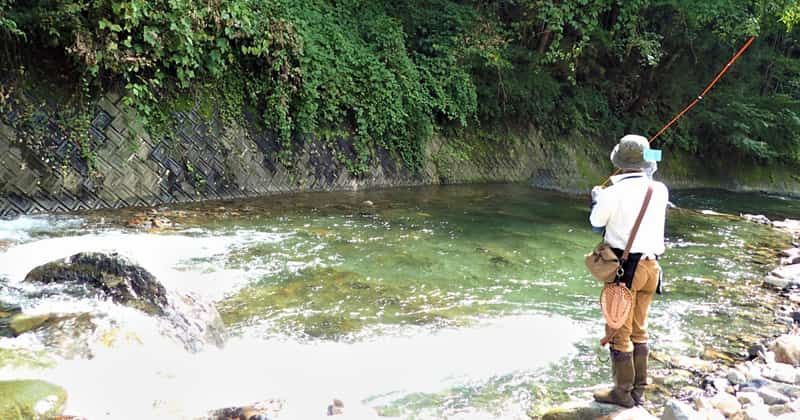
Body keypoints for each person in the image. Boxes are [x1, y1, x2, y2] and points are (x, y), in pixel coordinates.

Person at [589, 134, 669, 407]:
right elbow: (651, 176)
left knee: (619, 331)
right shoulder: (660, 190)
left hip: (625, 271)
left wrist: (597, 199)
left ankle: (621, 393)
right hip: (651, 268)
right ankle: (639, 391)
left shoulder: (612, 192)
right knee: (639, 329)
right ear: (646, 162)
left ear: (619, 162)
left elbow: (596, 222)